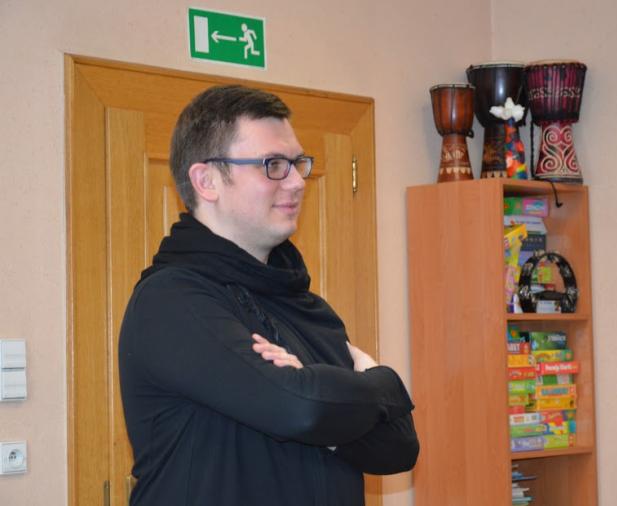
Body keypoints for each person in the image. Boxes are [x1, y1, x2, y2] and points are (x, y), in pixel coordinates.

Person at [118, 85, 419, 506]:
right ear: (207, 181)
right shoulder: (171, 300)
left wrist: (320, 402)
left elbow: (399, 447)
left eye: (297, 163)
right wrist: (381, 383)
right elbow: (300, 408)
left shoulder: (308, 307)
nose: (297, 181)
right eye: (273, 165)